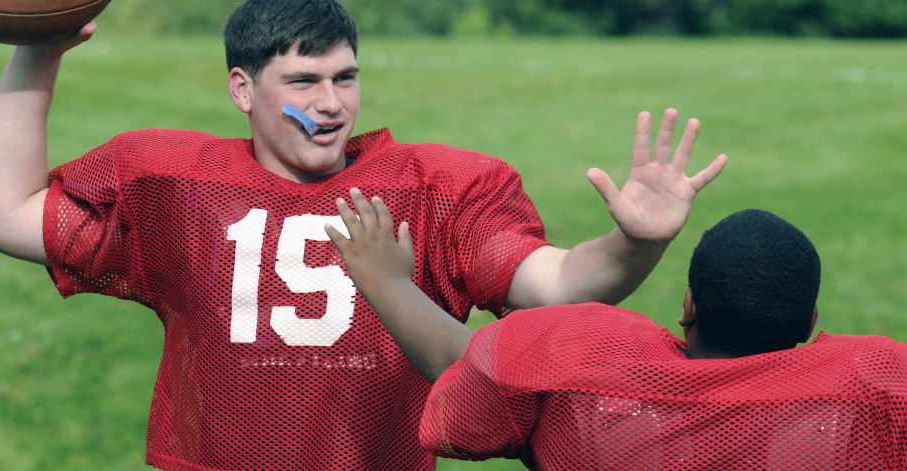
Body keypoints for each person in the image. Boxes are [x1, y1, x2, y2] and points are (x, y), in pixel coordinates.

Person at [0, 0, 727, 470]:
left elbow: (556, 285)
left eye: (346, 78)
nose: (330, 103)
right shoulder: (178, 183)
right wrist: (38, 52)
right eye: (303, 80)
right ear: (242, 88)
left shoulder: (433, 187)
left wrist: (633, 243)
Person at [327, 197, 907, 470]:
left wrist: (388, 282)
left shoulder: (584, 375)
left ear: (688, 307)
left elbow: (464, 367)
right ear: (808, 324)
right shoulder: (874, 393)